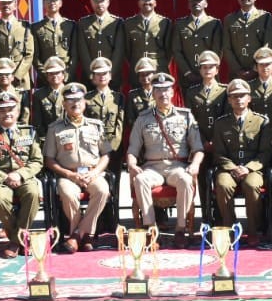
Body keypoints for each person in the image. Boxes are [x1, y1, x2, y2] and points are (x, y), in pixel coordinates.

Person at [126, 72, 205, 249]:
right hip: (153, 167)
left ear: (173, 92)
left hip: (177, 166)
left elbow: (198, 148)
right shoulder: (143, 118)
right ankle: (150, 228)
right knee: (140, 179)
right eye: (159, 91)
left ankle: (180, 228)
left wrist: (195, 164)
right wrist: (131, 163)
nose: (163, 94)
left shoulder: (185, 116)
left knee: (185, 179)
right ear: (153, 94)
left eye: (167, 90)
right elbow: (133, 149)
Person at [44, 82, 111, 253]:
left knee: (102, 190)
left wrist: (95, 172)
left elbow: (106, 154)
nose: (75, 104)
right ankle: (86, 235)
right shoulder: (54, 128)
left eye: (79, 100)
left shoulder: (96, 125)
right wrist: (68, 174)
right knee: (68, 194)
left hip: (92, 173)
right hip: (68, 175)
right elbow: (49, 160)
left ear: (85, 102)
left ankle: (77, 235)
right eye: (71, 100)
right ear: (64, 104)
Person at [0, 92, 43, 258]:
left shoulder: (29, 132)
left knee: (33, 193)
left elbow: (37, 161)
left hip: (24, 177)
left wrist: (20, 175)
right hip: (0, 179)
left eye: (11, 109)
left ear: (18, 111)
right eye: (2, 110)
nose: (7, 113)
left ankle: (15, 241)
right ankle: (21, 239)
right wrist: (5, 177)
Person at [211, 78, 272, 248]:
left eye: (242, 96)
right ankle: (230, 228)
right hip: (228, 168)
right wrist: (232, 168)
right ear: (229, 100)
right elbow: (219, 153)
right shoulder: (220, 123)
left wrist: (248, 168)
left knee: (252, 186)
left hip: (253, 168)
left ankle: (253, 229)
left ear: (249, 98)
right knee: (222, 185)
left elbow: (265, 153)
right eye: (234, 96)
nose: (238, 99)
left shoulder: (262, 122)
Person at [171, 0, 223, 91]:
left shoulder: (214, 24)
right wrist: (188, 72)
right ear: (188, 4)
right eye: (192, 0)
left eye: (199, 0)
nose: (196, 3)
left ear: (206, 3)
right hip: (187, 78)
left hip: (209, 76)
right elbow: (176, 51)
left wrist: (207, 71)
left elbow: (217, 51)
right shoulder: (180, 24)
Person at [223, 0, 272, 82]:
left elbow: (267, 45)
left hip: (260, 73)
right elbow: (226, 48)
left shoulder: (265, 17)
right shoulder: (230, 19)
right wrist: (238, 70)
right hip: (236, 75)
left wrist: (255, 68)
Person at [84, 56, 126, 176]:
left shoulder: (118, 98)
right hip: (92, 145)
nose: (102, 76)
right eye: (98, 74)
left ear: (110, 76)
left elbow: (120, 124)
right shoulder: (87, 98)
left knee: (114, 178)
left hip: (113, 145)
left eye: (105, 73)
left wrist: (112, 146)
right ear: (93, 77)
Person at [75, 0, 124, 85]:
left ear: (108, 2)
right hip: (90, 78)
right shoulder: (83, 24)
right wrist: (91, 75)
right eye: (96, 1)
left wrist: (110, 74)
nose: (99, 4)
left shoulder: (117, 23)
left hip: (112, 78)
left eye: (102, 0)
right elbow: (83, 51)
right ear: (91, 3)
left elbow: (118, 52)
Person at [29, 0, 74, 85]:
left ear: (61, 3)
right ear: (44, 3)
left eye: (55, 0)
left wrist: (65, 75)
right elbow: (35, 57)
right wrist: (47, 75)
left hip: (67, 78)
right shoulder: (36, 28)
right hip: (45, 79)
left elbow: (74, 55)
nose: (52, 3)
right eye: (48, 0)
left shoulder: (70, 26)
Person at [126, 0, 173, 75]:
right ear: (139, 3)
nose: (147, 2)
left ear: (155, 3)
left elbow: (169, 50)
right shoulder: (129, 24)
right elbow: (127, 51)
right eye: (143, 0)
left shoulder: (165, 23)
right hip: (138, 70)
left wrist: (161, 63)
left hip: (159, 69)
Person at [185, 50, 228, 146]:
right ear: (200, 70)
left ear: (217, 70)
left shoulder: (225, 91)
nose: (207, 70)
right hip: (199, 140)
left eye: (211, 67)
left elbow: (227, 118)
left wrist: (215, 140)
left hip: (222, 140)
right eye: (204, 67)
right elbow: (190, 120)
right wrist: (203, 141)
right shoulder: (191, 92)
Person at [0, 57, 32, 128]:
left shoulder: (21, 94)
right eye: (0, 74)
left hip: (18, 133)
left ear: (12, 77)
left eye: (7, 74)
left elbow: (25, 117)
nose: (4, 77)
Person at [32, 55, 69, 138]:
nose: (54, 76)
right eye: (51, 73)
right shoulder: (39, 95)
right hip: (48, 138)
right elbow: (38, 122)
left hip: (68, 137)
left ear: (63, 75)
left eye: (57, 73)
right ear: (47, 76)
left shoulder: (69, 93)